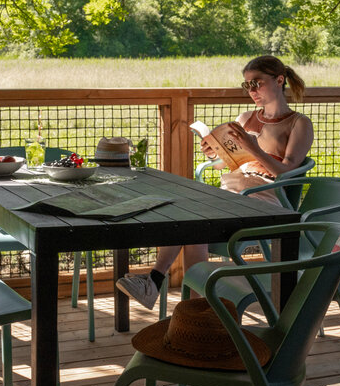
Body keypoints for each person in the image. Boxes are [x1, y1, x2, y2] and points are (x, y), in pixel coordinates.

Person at [115, 55, 314, 309]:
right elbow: (229, 162)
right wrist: (214, 152)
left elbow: (286, 171)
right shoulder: (246, 118)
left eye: (257, 83)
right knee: (186, 217)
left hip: (264, 200)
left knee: (191, 220)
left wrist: (253, 148)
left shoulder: (299, 123)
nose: (252, 90)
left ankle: (163, 288)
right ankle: (191, 306)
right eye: (247, 85)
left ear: (279, 80)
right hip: (231, 193)